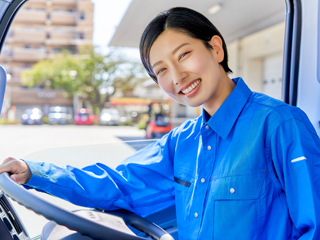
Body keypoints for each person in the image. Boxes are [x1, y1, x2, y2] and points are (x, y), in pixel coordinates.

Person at [1, 7, 320, 240]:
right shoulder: (183, 142)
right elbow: (119, 185)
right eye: (161, 70)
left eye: (184, 55)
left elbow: (314, 228)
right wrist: (34, 172)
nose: (177, 76)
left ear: (216, 48)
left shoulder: (280, 125)